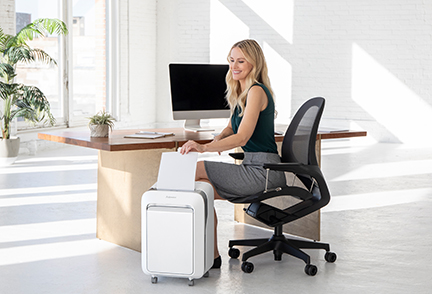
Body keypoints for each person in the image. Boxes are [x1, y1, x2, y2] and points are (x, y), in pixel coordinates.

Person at [180, 39, 286, 269]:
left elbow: (243, 137)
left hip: (264, 172)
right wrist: (218, 138)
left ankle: (209, 254)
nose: (234, 66)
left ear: (254, 63)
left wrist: (204, 148)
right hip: (251, 167)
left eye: (241, 61)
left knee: (195, 170)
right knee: (201, 190)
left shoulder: (256, 91)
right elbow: (232, 128)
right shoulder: (240, 91)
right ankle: (212, 255)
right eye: (231, 60)